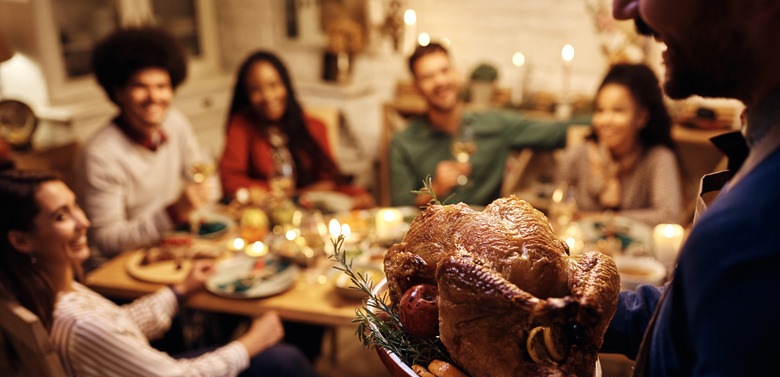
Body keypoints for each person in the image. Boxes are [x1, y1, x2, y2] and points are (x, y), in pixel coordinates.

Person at [423, 0, 780, 377]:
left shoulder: (755, 221)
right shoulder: (757, 155)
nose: (623, 8)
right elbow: (686, 313)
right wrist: (555, 318)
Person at [0, 169, 347, 377]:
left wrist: (179, 291)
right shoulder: (78, 324)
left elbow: (118, 326)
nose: (83, 221)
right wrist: (250, 341)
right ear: (20, 240)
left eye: (75, 206)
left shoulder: (47, 294)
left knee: (281, 363)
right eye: (61, 216)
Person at [75, 26, 214, 266]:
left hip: (168, 249)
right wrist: (173, 213)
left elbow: (199, 174)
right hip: (120, 267)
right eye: (141, 86)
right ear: (118, 92)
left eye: (162, 86)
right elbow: (106, 241)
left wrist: (202, 200)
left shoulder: (175, 122)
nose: (154, 96)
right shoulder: (100, 154)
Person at [389, 42, 576, 207]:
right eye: (427, 76)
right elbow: (399, 209)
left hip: (485, 238)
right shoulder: (404, 142)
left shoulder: (494, 125)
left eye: (444, 71)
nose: (440, 81)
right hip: (432, 238)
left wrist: (601, 118)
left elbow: (557, 131)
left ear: (457, 73)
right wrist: (434, 189)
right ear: (416, 87)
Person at [219, 50, 374, 208]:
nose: (267, 96)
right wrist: (284, 194)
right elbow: (230, 181)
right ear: (247, 95)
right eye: (256, 90)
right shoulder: (241, 125)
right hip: (263, 214)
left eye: (273, 85)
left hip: (310, 210)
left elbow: (329, 182)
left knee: (364, 200)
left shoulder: (313, 126)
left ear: (285, 85)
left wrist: (296, 195)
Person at [556, 63, 683, 226]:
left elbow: (668, 216)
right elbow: (558, 210)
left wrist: (602, 220)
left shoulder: (658, 158)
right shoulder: (576, 157)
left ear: (642, 117)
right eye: (600, 110)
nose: (606, 120)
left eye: (618, 111)